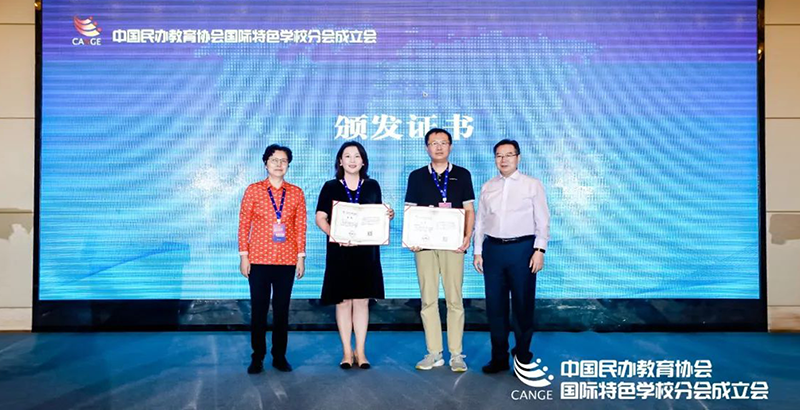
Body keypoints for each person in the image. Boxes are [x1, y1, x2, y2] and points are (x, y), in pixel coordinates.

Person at [473, 139, 550, 374]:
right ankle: (498, 357)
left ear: (518, 157)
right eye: (499, 155)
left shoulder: (532, 185)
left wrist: (539, 250)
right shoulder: (488, 186)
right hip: (493, 250)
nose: (503, 159)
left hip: (522, 249)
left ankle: (523, 355)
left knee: (522, 305)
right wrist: (478, 251)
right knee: (495, 306)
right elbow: (480, 221)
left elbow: (543, 220)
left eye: (508, 155)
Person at [315, 141, 394, 370]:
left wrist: (387, 214)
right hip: (339, 252)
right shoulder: (330, 186)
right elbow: (320, 217)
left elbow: (377, 215)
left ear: (363, 161)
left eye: (357, 156)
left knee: (361, 302)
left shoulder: (372, 185)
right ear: (340, 161)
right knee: (343, 302)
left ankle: (361, 351)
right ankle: (347, 352)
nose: (352, 160)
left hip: (365, 253)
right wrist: (335, 234)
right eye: (347, 156)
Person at [404, 128, 475, 372]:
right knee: (428, 299)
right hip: (424, 246)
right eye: (433, 143)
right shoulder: (416, 176)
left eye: (443, 142)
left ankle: (456, 354)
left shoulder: (462, 175)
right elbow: (410, 211)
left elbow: (469, 210)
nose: (439, 147)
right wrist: (411, 239)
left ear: (450, 146)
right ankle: (434, 353)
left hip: (453, 245)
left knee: (455, 299)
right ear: (427, 147)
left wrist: (467, 237)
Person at [238, 144, 307, 374]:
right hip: (258, 259)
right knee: (258, 310)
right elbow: (243, 225)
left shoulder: (296, 192)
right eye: (274, 160)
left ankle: (279, 356)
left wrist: (300, 257)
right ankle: (257, 357)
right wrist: (244, 256)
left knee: (281, 310)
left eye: (284, 160)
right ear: (265, 163)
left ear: (288, 165)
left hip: (286, 260)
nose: (279, 164)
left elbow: (301, 227)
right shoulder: (253, 190)